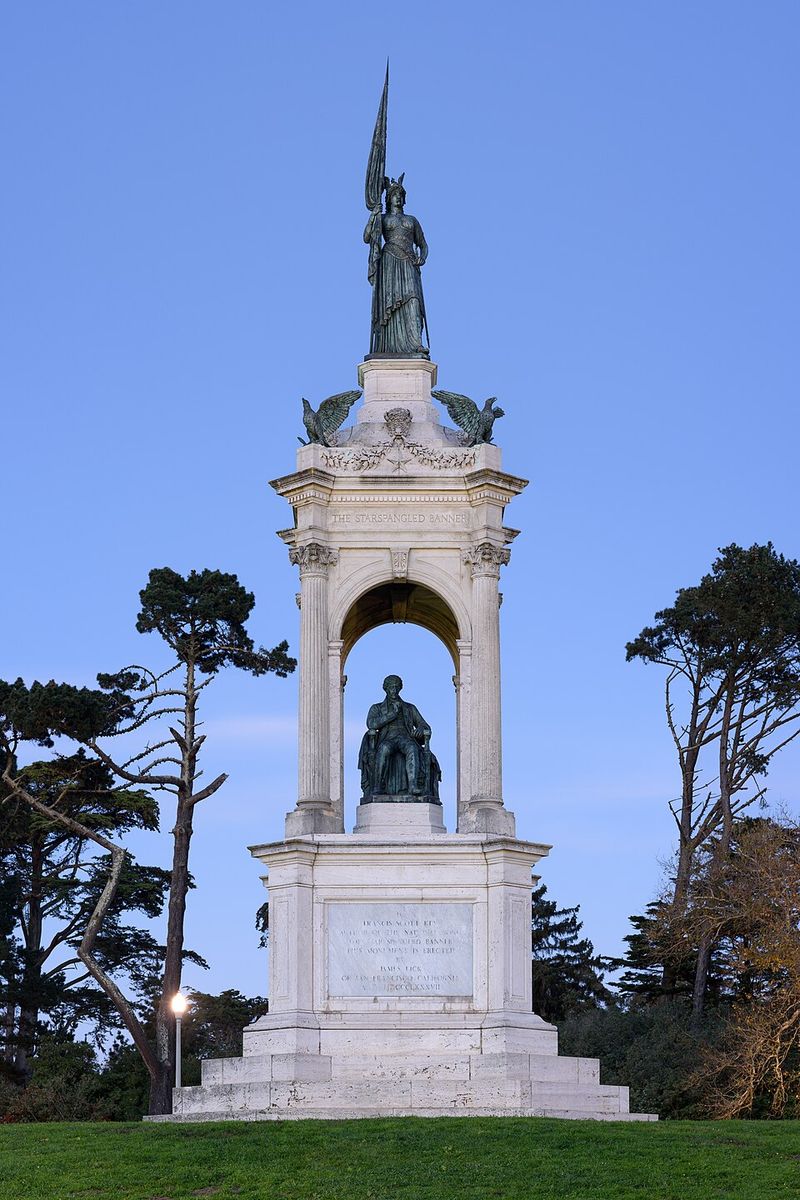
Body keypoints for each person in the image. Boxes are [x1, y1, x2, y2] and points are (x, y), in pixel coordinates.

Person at [364, 175, 429, 356]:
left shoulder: (412, 220)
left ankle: (416, 343)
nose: (398, 197)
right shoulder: (383, 219)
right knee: (389, 301)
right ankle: (385, 346)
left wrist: (422, 257)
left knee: (413, 299)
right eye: (394, 194)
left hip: (408, 261)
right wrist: (373, 216)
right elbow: (367, 237)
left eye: (400, 194)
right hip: (389, 261)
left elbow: (423, 244)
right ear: (389, 198)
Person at [359, 674, 434, 799]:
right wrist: (391, 715)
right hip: (387, 738)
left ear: (400, 688)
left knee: (412, 748)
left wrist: (420, 729)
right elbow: (371, 724)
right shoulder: (376, 708)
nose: (393, 690)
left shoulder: (409, 708)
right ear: (385, 689)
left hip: (405, 738)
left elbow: (425, 725)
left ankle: (413, 785)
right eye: (391, 688)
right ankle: (377, 786)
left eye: (396, 687)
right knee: (383, 749)